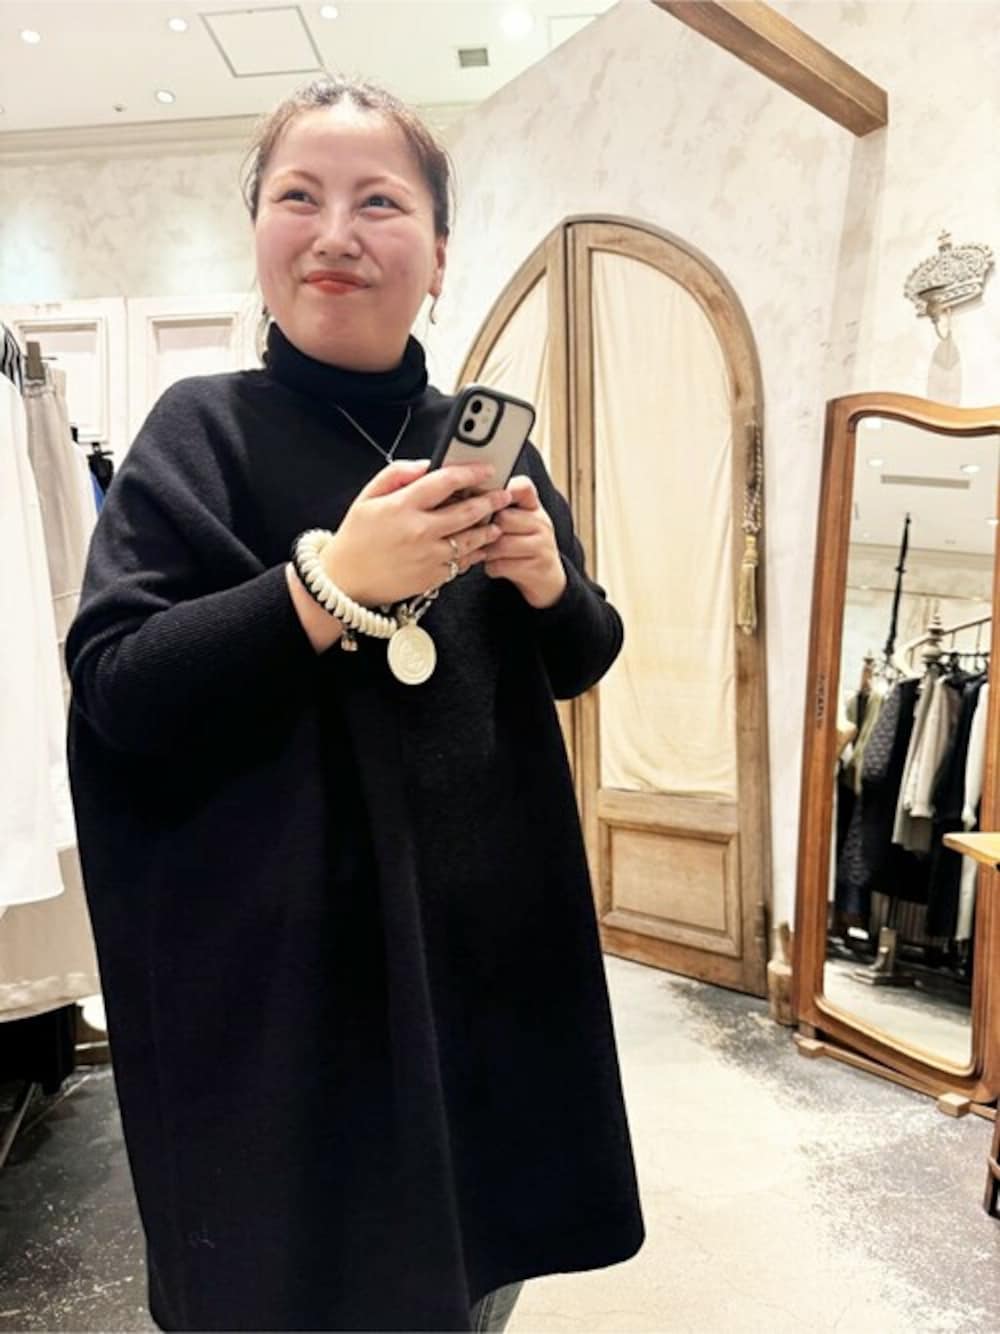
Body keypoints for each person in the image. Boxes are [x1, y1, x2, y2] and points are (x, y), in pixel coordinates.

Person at [66, 76, 645, 1333]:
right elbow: (117, 685)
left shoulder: (486, 447)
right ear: (258, 234)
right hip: (288, 982)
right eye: (299, 196)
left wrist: (550, 584)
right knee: (302, 1275)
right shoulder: (200, 430)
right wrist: (328, 585)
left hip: (476, 957)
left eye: (379, 202)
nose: (335, 232)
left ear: (438, 256)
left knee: (469, 1260)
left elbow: (580, 658)